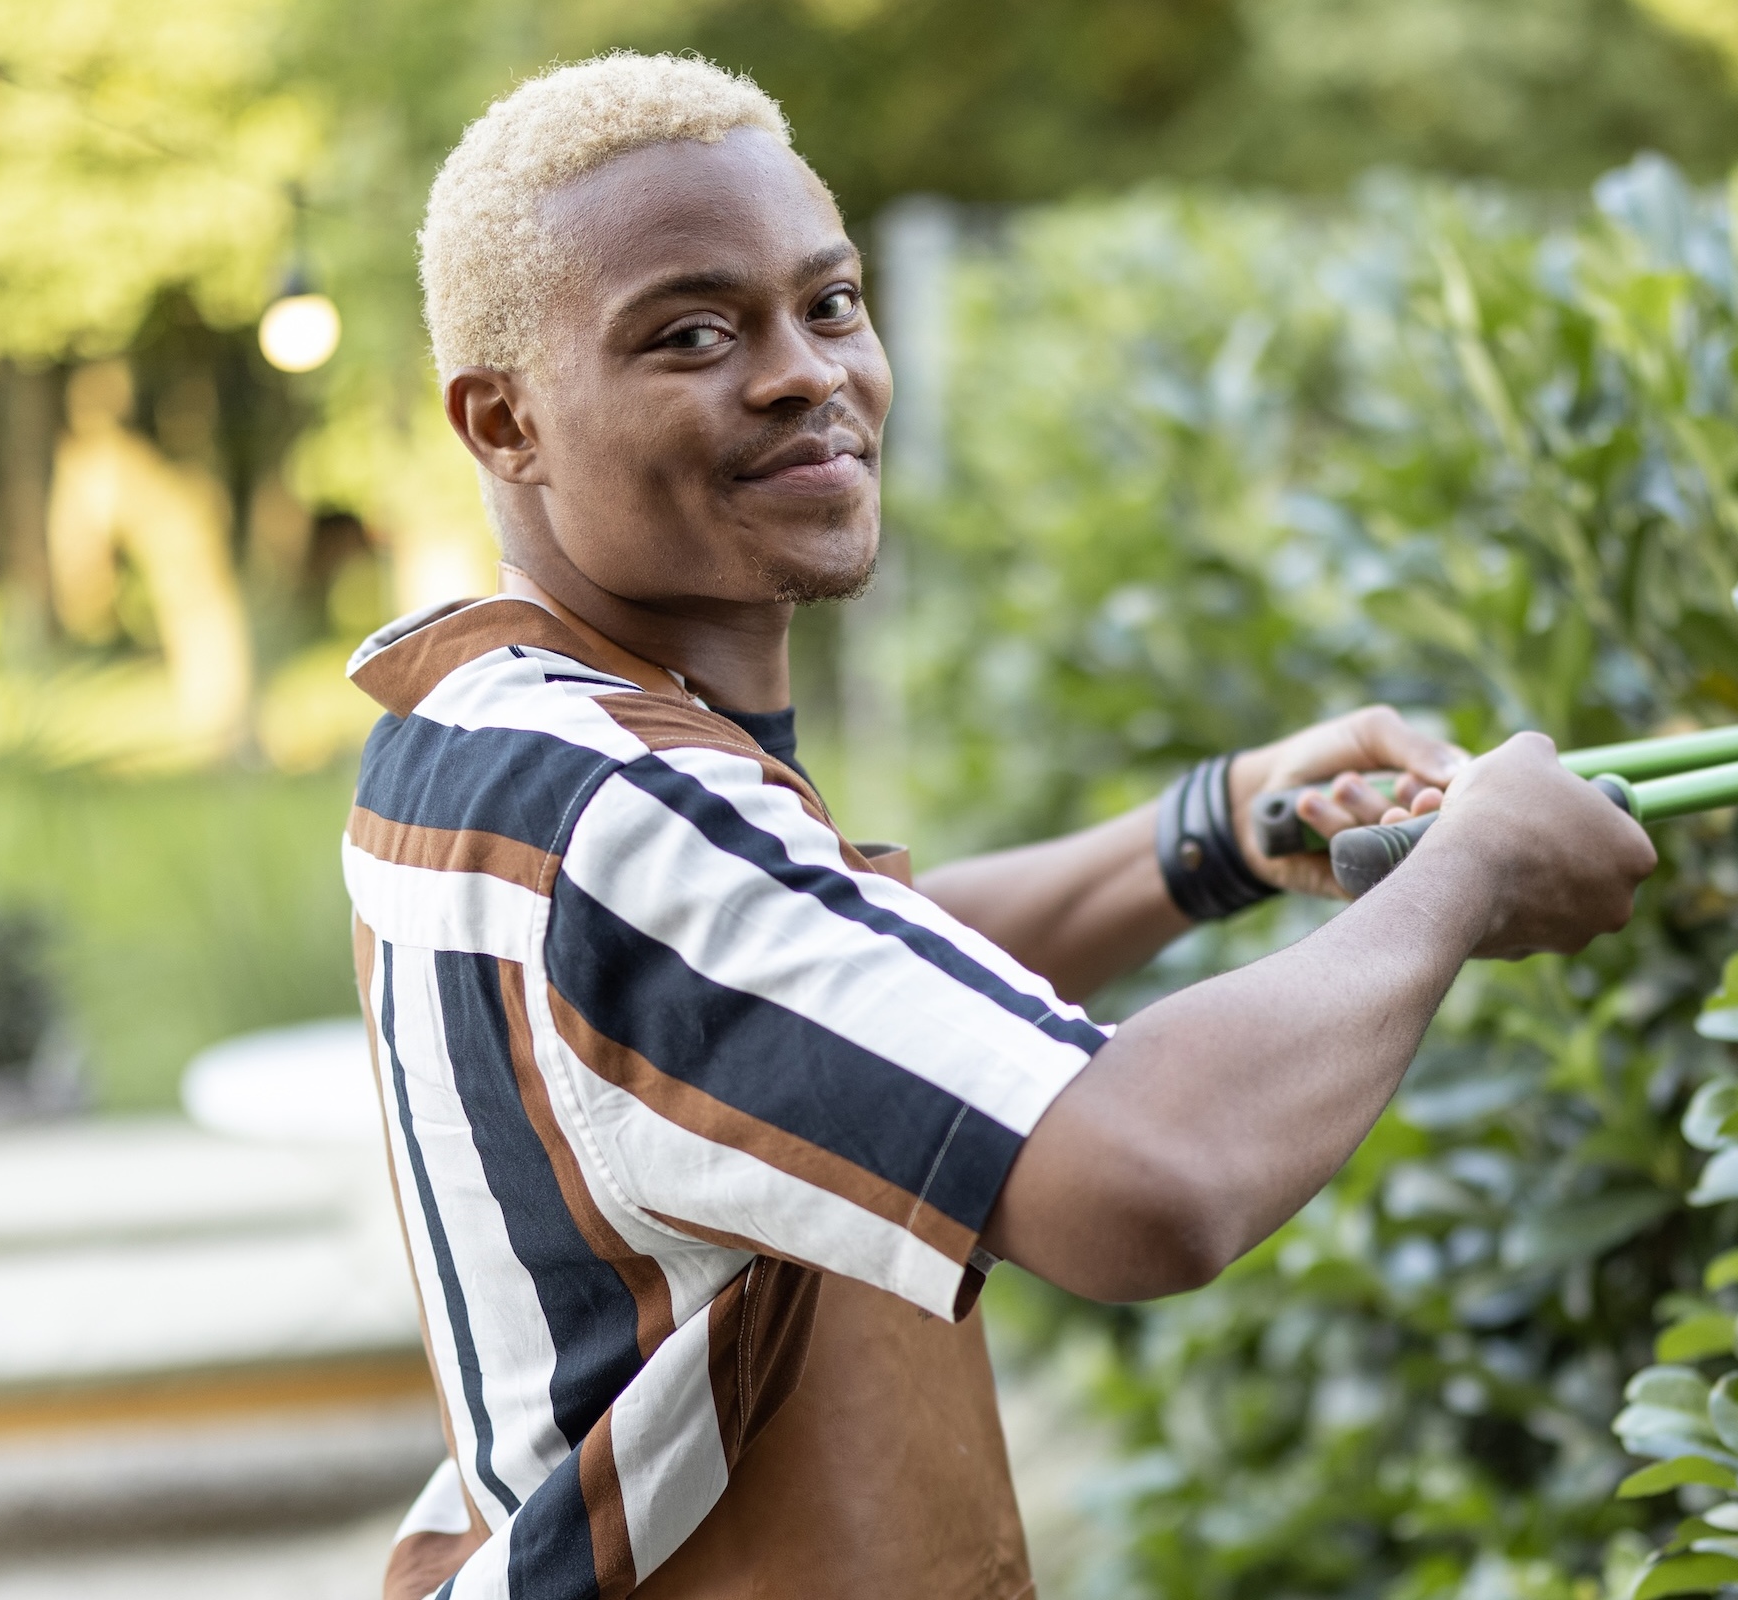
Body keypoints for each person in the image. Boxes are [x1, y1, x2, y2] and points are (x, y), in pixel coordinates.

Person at [344, 51, 1656, 1600]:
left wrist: (1209, 835)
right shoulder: (623, 805)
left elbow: (811, 982)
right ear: (504, 422)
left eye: (826, 306)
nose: (799, 372)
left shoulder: (490, 718)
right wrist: (1467, 874)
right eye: (691, 333)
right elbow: (1149, 1183)